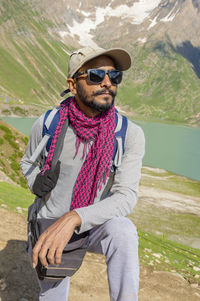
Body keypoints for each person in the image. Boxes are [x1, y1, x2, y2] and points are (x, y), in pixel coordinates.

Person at [21, 46, 145, 301]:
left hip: (96, 223)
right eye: (96, 76)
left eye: (115, 76)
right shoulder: (48, 125)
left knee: (123, 230)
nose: (107, 83)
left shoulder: (129, 134)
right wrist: (37, 183)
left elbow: (126, 196)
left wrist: (75, 217)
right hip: (50, 223)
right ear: (73, 84)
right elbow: (28, 162)